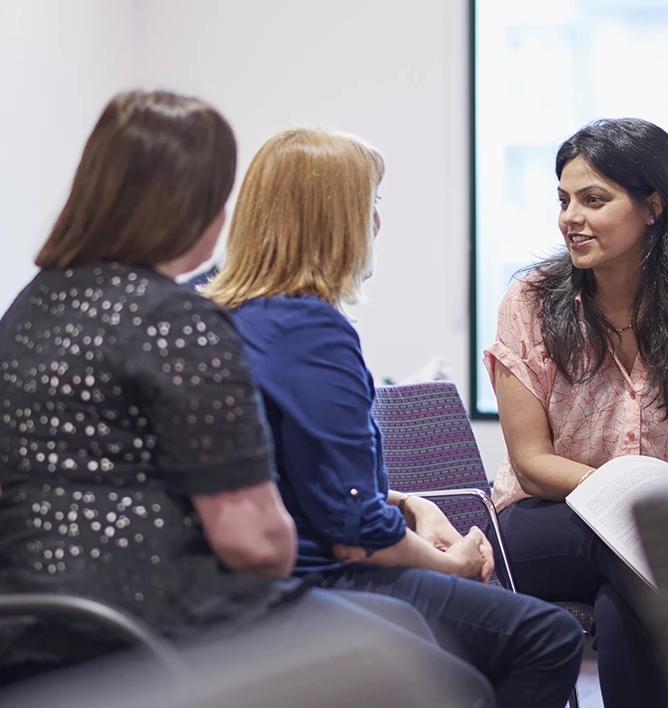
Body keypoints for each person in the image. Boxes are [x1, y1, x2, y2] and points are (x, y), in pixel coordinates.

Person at [0, 90, 496, 707]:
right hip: (151, 632)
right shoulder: (181, 321)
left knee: (399, 629)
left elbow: (2, 482)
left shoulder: (27, 308)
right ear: (195, 209)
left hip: (18, 626)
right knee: (440, 677)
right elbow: (254, 544)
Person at [204, 126, 583, 708]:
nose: (377, 222)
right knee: (549, 637)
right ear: (337, 219)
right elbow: (357, 537)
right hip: (318, 576)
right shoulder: (313, 332)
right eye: (371, 204)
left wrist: (412, 503)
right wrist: (448, 565)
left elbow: (305, 479)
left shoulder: (222, 318)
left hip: (247, 575)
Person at [485, 118, 668, 708]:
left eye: (594, 200)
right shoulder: (531, 301)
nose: (570, 217)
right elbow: (534, 465)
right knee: (635, 544)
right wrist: (633, 499)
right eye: (564, 200)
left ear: (653, 206)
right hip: (544, 524)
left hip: (667, 540)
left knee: (630, 601)